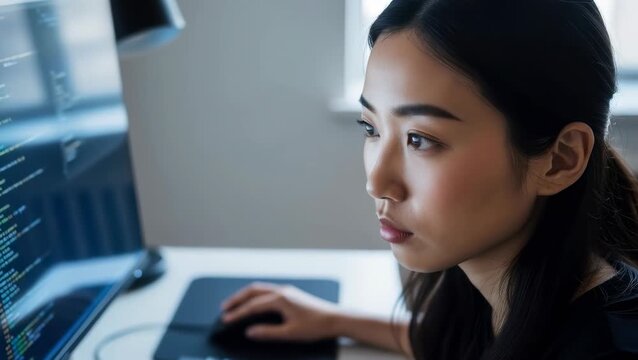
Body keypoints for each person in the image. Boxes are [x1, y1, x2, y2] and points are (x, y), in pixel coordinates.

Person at [219, 0, 638, 359]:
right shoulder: (494, 283)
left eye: (420, 139)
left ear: (559, 160)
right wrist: (332, 319)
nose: (377, 183)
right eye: (371, 128)